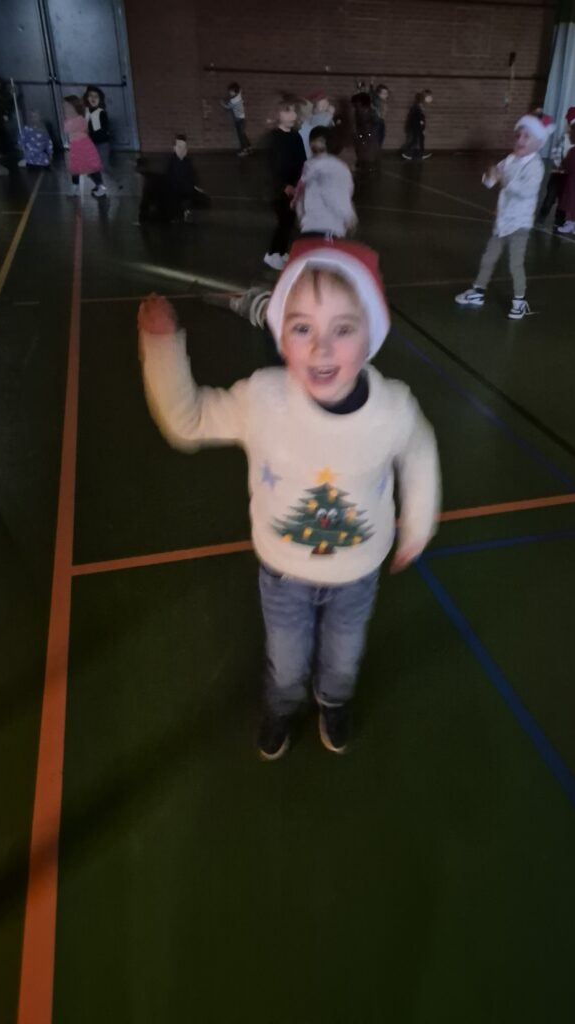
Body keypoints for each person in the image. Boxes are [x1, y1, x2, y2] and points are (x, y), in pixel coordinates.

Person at [137, 239, 441, 759]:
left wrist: (418, 521)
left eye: (342, 329)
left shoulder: (393, 409)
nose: (321, 349)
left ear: (371, 334)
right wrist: (162, 349)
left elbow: (418, 450)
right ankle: (282, 706)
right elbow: (189, 421)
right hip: (283, 574)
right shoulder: (264, 399)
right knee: (286, 659)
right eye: (303, 328)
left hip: (357, 575)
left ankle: (334, 701)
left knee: (344, 658)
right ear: (281, 336)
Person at [455, 113, 551, 320]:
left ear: (538, 143)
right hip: (502, 222)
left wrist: (503, 179)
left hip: (520, 224)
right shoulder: (509, 160)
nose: (520, 140)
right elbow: (491, 181)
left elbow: (525, 191)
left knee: (515, 263)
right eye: (518, 135)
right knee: (488, 258)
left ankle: (519, 300)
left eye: (527, 137)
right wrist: (489, 175)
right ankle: (478, 291)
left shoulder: (536, 166)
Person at [264, 96, 306, 270]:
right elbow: (271, 166)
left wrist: (300, 183)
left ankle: (281, 252)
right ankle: (272, 253)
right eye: (287, 111)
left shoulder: (296, 136)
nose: (292, 115)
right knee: (283, 221)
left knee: (289, 221)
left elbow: (302, 161)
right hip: (278, 190)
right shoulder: (273, 138)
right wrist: (283, 186)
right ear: (278, 114)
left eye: (294, 111)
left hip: (294, 188)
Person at [293, 126, 356, 239]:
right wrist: (349, 215)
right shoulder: (340, 168)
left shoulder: (308, 166)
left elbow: (300, 196)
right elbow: (339, 195)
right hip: (331, 228)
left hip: (309, 227)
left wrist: (302, 219)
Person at [537, 105, 575, 225]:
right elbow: (556, 153)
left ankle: (559, 221)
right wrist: (561, 164)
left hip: (571, 177)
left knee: (564, 200)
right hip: (558, 174)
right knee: (550, 197)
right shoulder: (565, 138)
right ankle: (543, 214)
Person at [63, 95, 105, 197]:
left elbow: (72, 129)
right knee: (75, 167)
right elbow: (67, 129)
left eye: (67, 106)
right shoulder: (71, 118)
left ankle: (100, 187)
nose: (65, 109)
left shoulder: (80, 118)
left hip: (83, 145)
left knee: (91, 167)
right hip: (75, 145)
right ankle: (75, 187)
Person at [165, 134, 210, 220]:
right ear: (174, 148)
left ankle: (186, 210)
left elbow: (193, 175)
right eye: (179, 147)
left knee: (204, 200)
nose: (182, 150)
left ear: (186, 150)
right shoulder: (171, 163)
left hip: (186, 190)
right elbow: (168, 178)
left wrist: (197, 186)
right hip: (175, 190)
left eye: (184, 148)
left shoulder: (188, 162)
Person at [298, 92, 335, 159]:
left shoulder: (313, 120)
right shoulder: (314, 120)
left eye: (326, 104)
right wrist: (329, 114)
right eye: (322, 105)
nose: (325, 107)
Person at [352, 90, 381, 175]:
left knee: (368, 155)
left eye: (357, 104)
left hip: (369, 137)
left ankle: (368, 170)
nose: (355, 106)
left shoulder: (371, 113)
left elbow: (377, 124)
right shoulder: (358, 112)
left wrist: (370, 134)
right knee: (362, 153)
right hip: (362, 136)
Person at [221, 82, 251, 156]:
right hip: (242, 120)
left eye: (231, 91)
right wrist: (237, 88)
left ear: (235, 91)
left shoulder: (233, 101)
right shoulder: (239, 95)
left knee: (241, 136)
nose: (229, 93)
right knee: (243, 135)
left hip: (239, 121)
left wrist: (222, 103)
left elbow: (227, 107)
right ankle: (249, 148)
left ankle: (244, 151)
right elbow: (240, 89)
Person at [401, 90, 432, 160]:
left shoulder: (420, 106)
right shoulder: (418, 106)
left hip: (417, 126)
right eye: (429, 97)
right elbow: (418, 118)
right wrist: (422, 126)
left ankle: (419, 153)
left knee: (420, 139)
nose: (430, 99)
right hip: (416, 127)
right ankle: (408, 153)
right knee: (415, 140)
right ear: (424, 97)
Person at [370, 82, 390, 147]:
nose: (386, 95)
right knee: (376, 140)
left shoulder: (384, 102)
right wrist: (371, 85)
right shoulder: (376, 101)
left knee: (381, 138)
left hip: (381, 122)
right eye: (384, 93)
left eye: (387, 93)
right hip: (376, 122)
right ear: (378, 94)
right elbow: (372, 95)